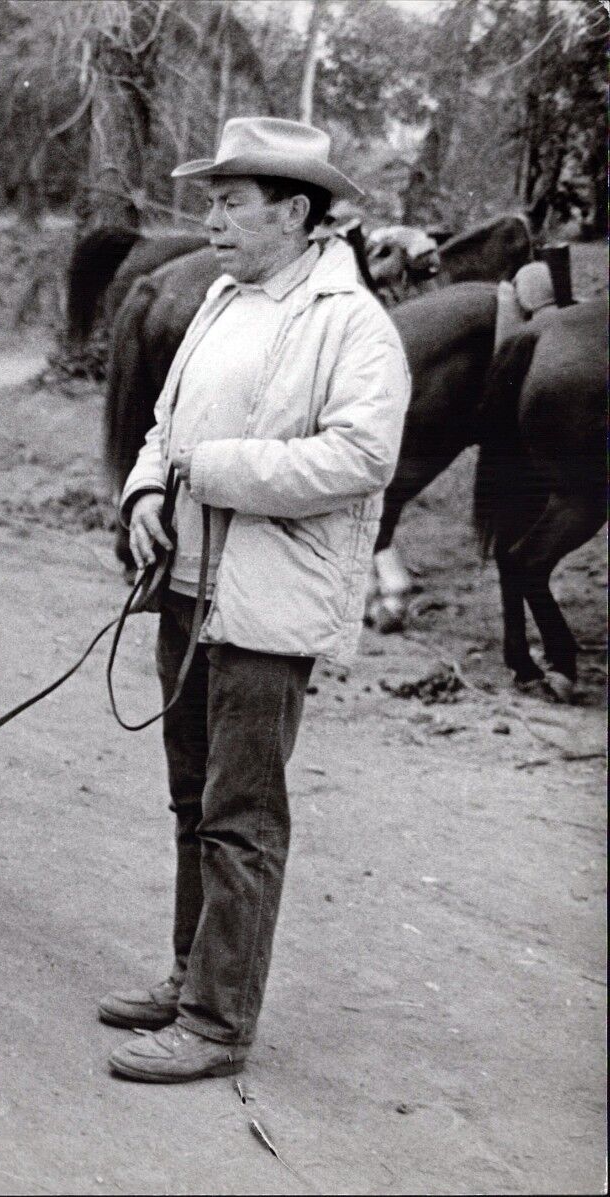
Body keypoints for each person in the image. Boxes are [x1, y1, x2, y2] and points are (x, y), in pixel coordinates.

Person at [106, 118, 412, 1081]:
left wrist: (214, 468)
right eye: (213, 200)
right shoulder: (220, 303)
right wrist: (148, 491)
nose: (213, 219)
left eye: (232, 203)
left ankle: (216, 1023)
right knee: (191, 795)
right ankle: (190, 972)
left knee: (242, 812)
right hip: (187, 592)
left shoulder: (350, 322)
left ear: (294, 211)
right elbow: (164, 423)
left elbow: (363, 459)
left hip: (266, 609)